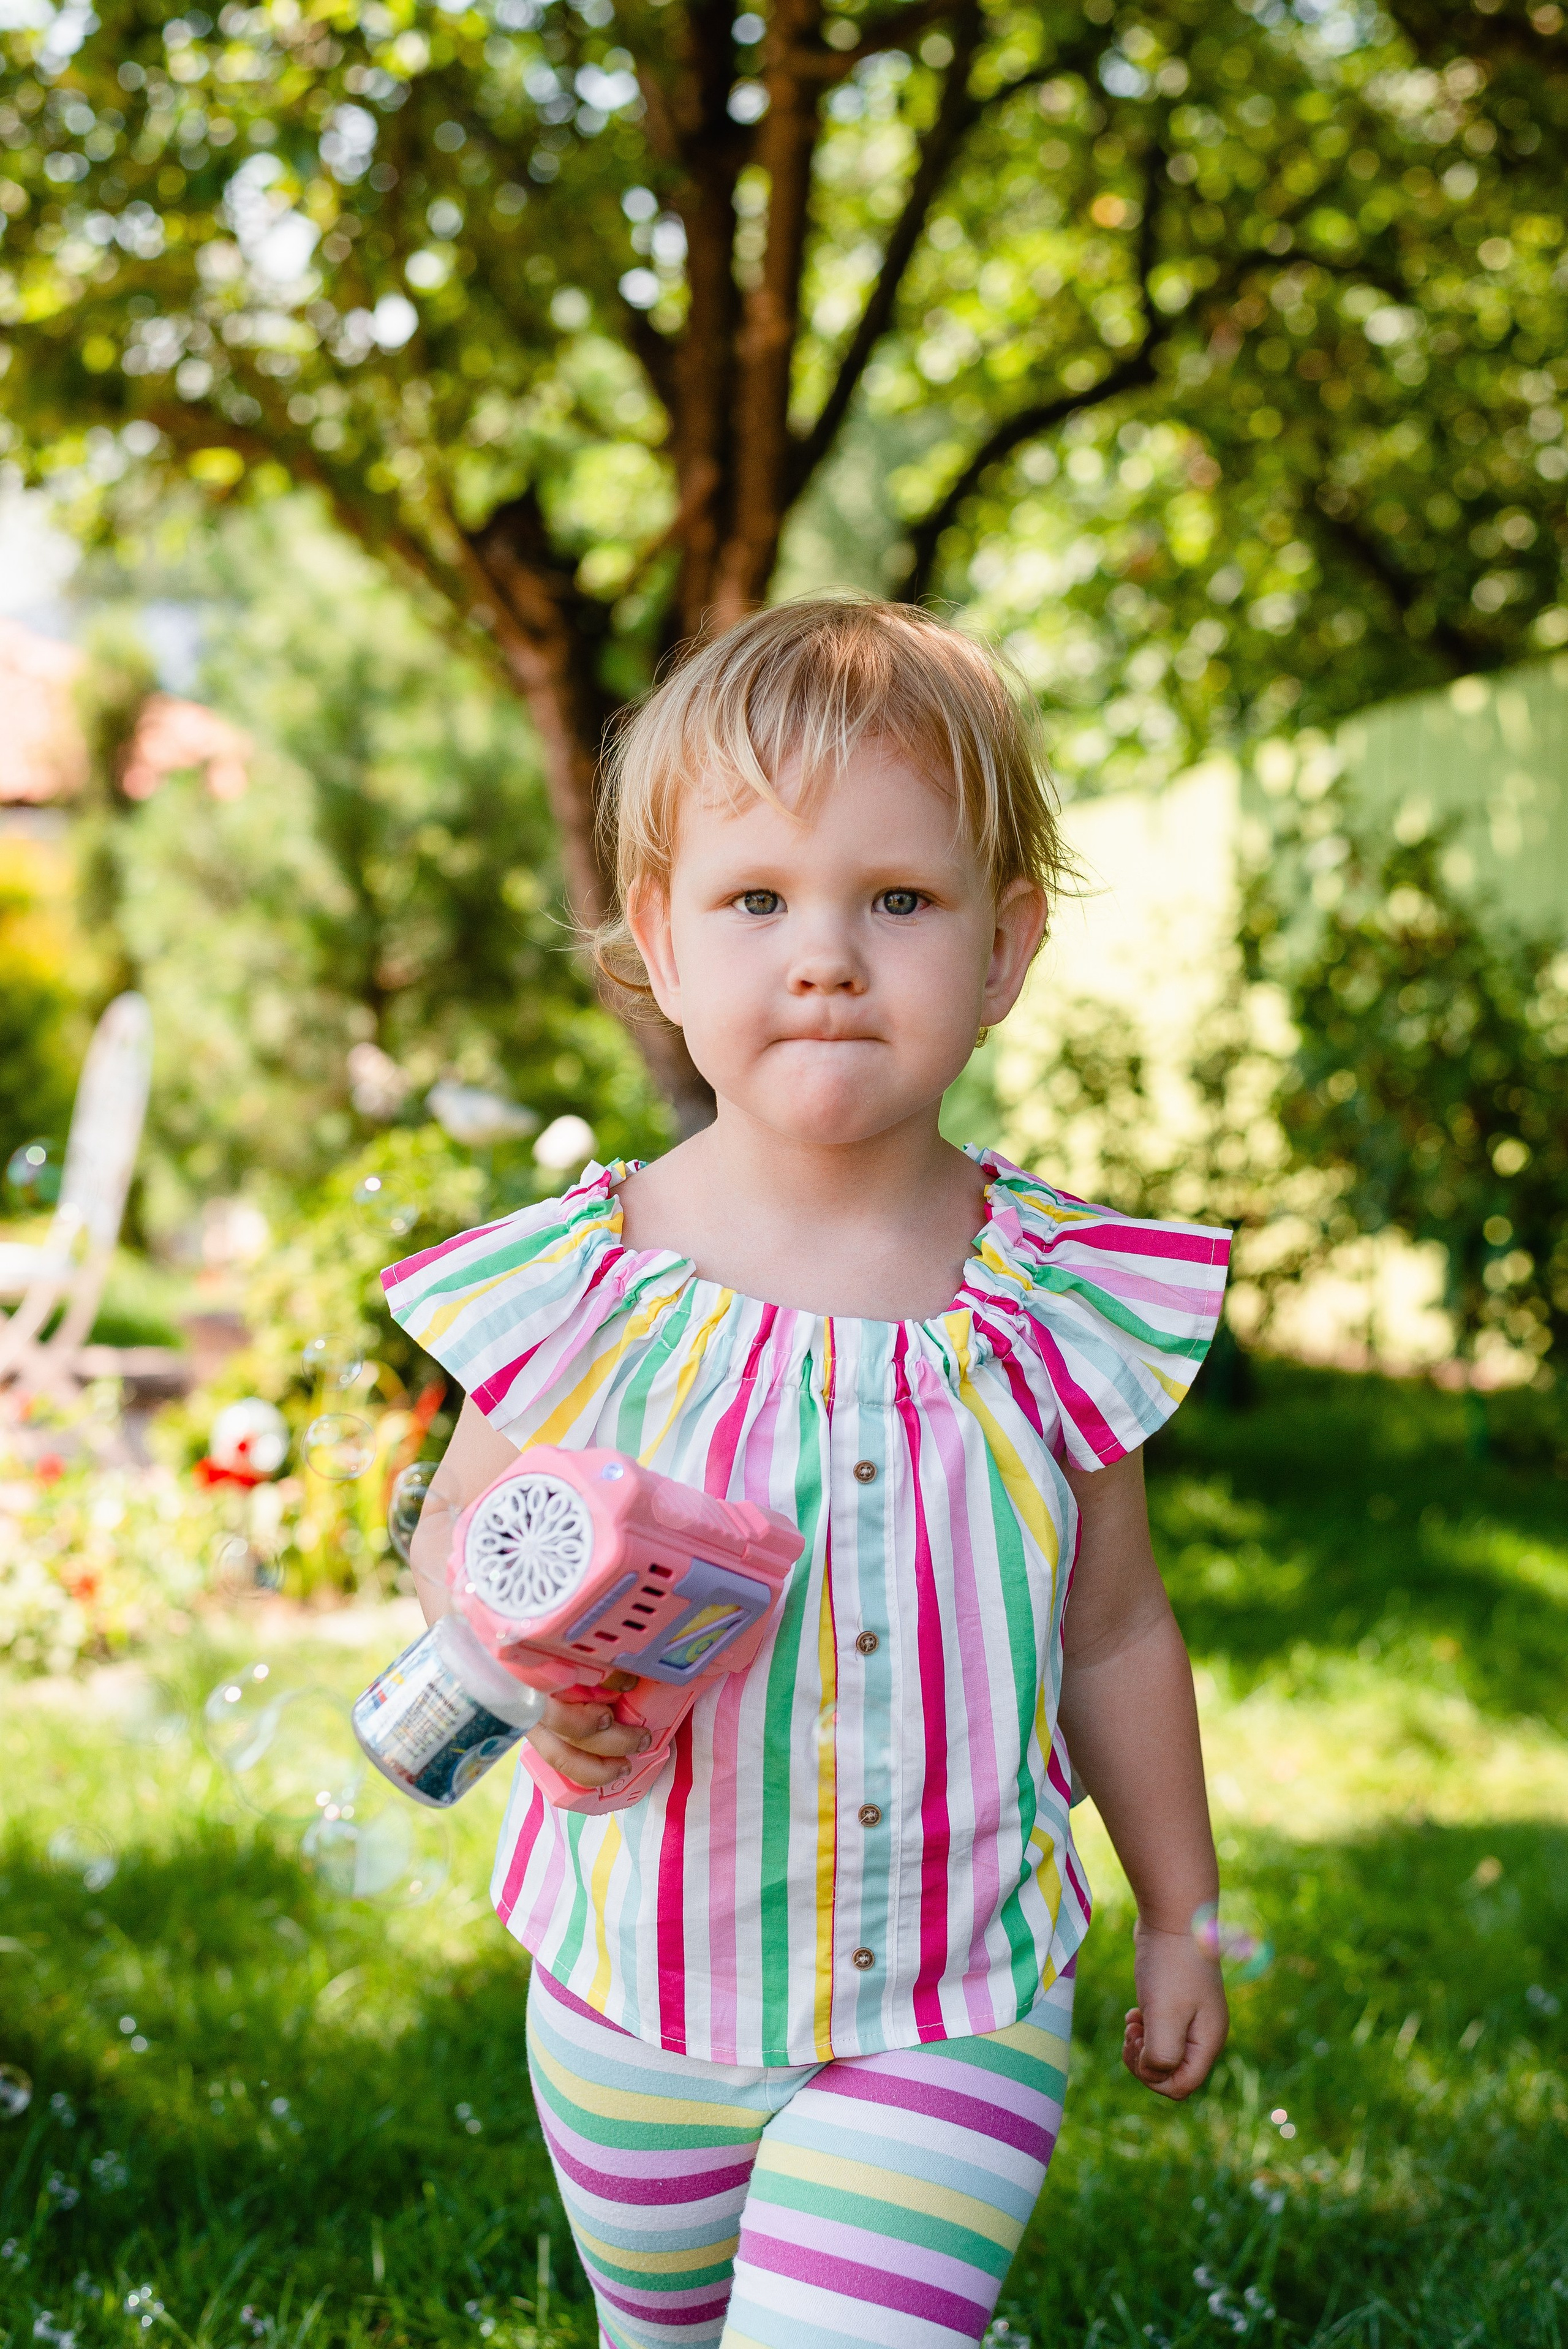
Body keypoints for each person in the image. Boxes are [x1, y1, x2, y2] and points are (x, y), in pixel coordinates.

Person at [386, 598, 1232, 2349]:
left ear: (1005, 950)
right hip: (635, 1990)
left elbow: (1121, 1632)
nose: (827, 954)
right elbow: (467, 1535)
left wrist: (1183, 1914)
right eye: (756, 900)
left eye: (898, 900)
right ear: (660, 946)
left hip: (947, 2002)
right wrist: (535, 1688)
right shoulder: (588, 1282)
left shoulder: (1050, 1309)